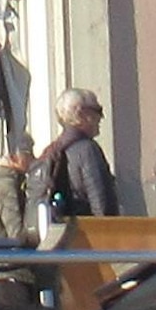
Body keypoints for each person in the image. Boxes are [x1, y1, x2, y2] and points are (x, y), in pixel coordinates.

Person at [29, 93, 124, 234]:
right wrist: (110, 235)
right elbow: (101, 201)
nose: (101, 118)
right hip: (84, 237)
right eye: (97, 110)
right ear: (81, 113)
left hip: (55, 235)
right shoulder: (87, 150)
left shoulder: (51, 150)